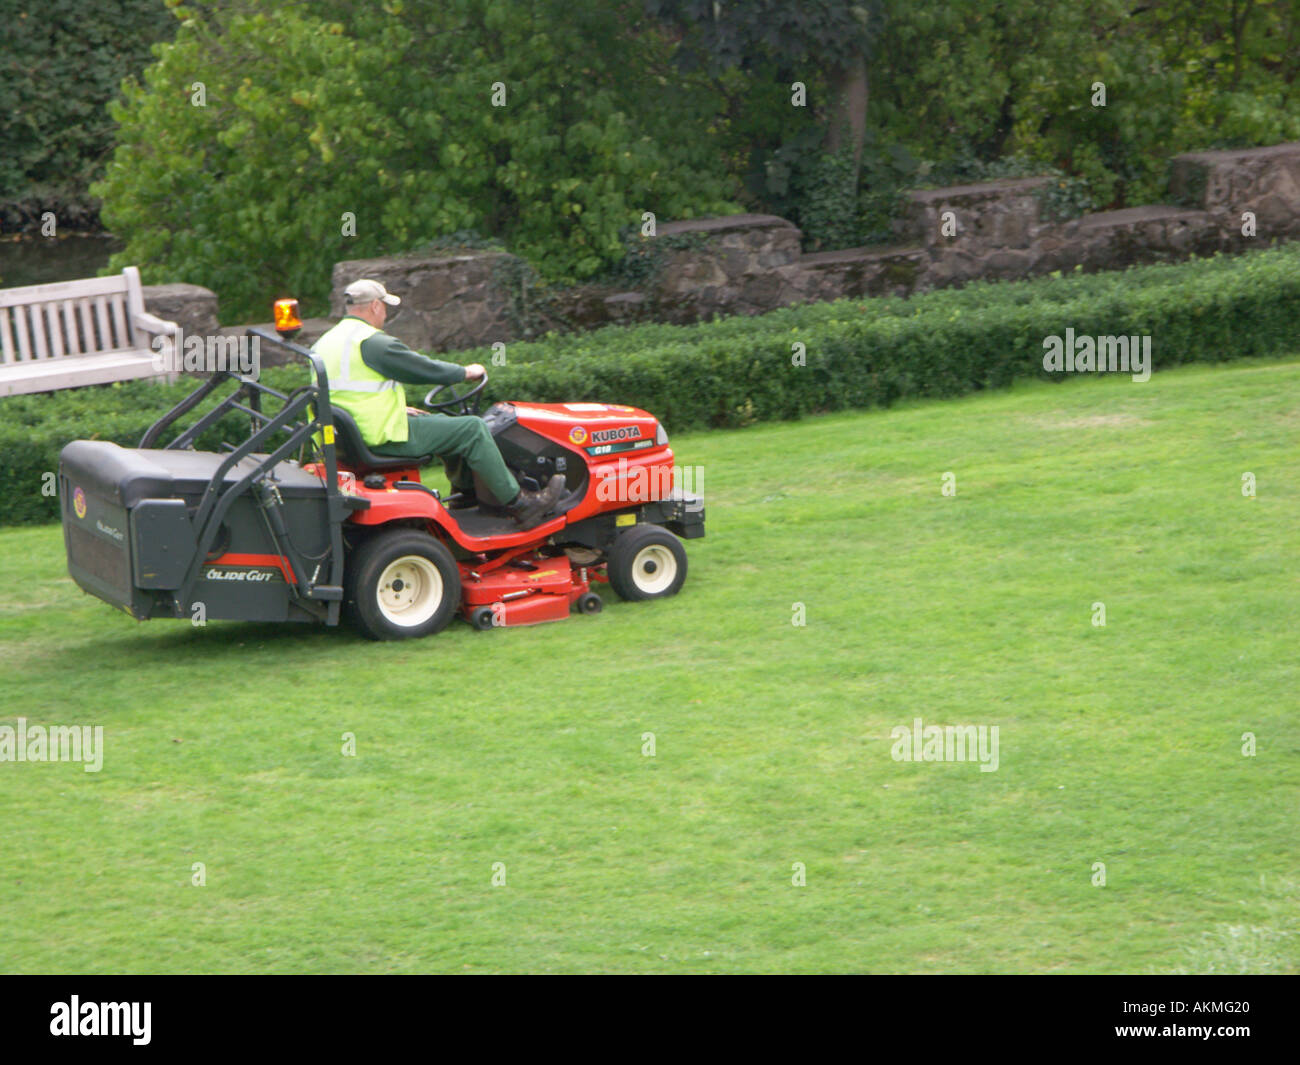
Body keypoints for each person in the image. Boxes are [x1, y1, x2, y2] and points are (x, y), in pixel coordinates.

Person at [312, 279, 564, 528]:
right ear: (376, 306)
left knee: (445, 424)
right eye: (385, 307)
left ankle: (465, 497)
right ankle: (520, 503)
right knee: (473, 429)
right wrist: (464, 372)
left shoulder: (324, 344)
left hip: (348, 438)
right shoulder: (372, 342)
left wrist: (400, 410)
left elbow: (346, 395)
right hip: (380, 438)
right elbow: (423, 369)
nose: (386, 314)